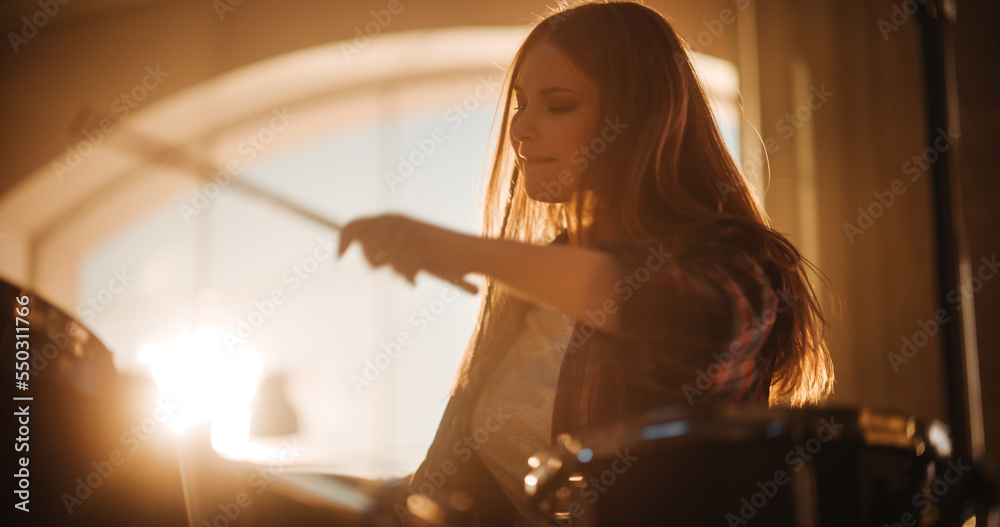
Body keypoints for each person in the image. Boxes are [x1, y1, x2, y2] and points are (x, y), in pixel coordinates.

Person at [335, 1, 835, 525]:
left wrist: (460, 250)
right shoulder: (537, 278)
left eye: (558, 105)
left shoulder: (735, 256)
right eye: (521, 103)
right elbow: (438, 493)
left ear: (637, 121)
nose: (522, 128)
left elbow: (693, 321)